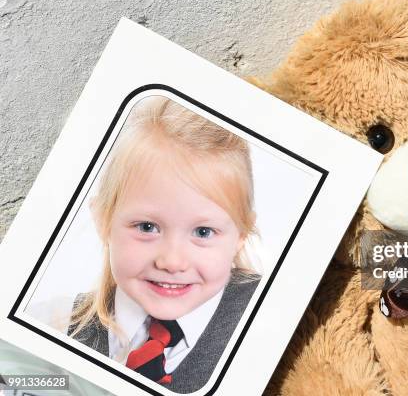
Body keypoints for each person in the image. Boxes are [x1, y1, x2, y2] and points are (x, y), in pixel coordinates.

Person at [41, 96, 261, 394]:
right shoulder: (50, 324)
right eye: (147, 227)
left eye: (204, 232)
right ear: (103, 219)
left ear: (241, 235)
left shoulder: (270, 324)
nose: (172, 261)